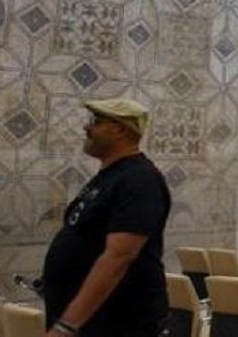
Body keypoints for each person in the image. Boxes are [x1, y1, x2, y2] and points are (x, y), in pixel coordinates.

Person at [41, 99, 171, 337]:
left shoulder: (140, 180)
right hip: (91, 321)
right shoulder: (110, 176)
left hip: (119, 323)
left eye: (95, 122)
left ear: (120, 129)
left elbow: (119, 255)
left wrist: (68, 325)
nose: (86, 128)